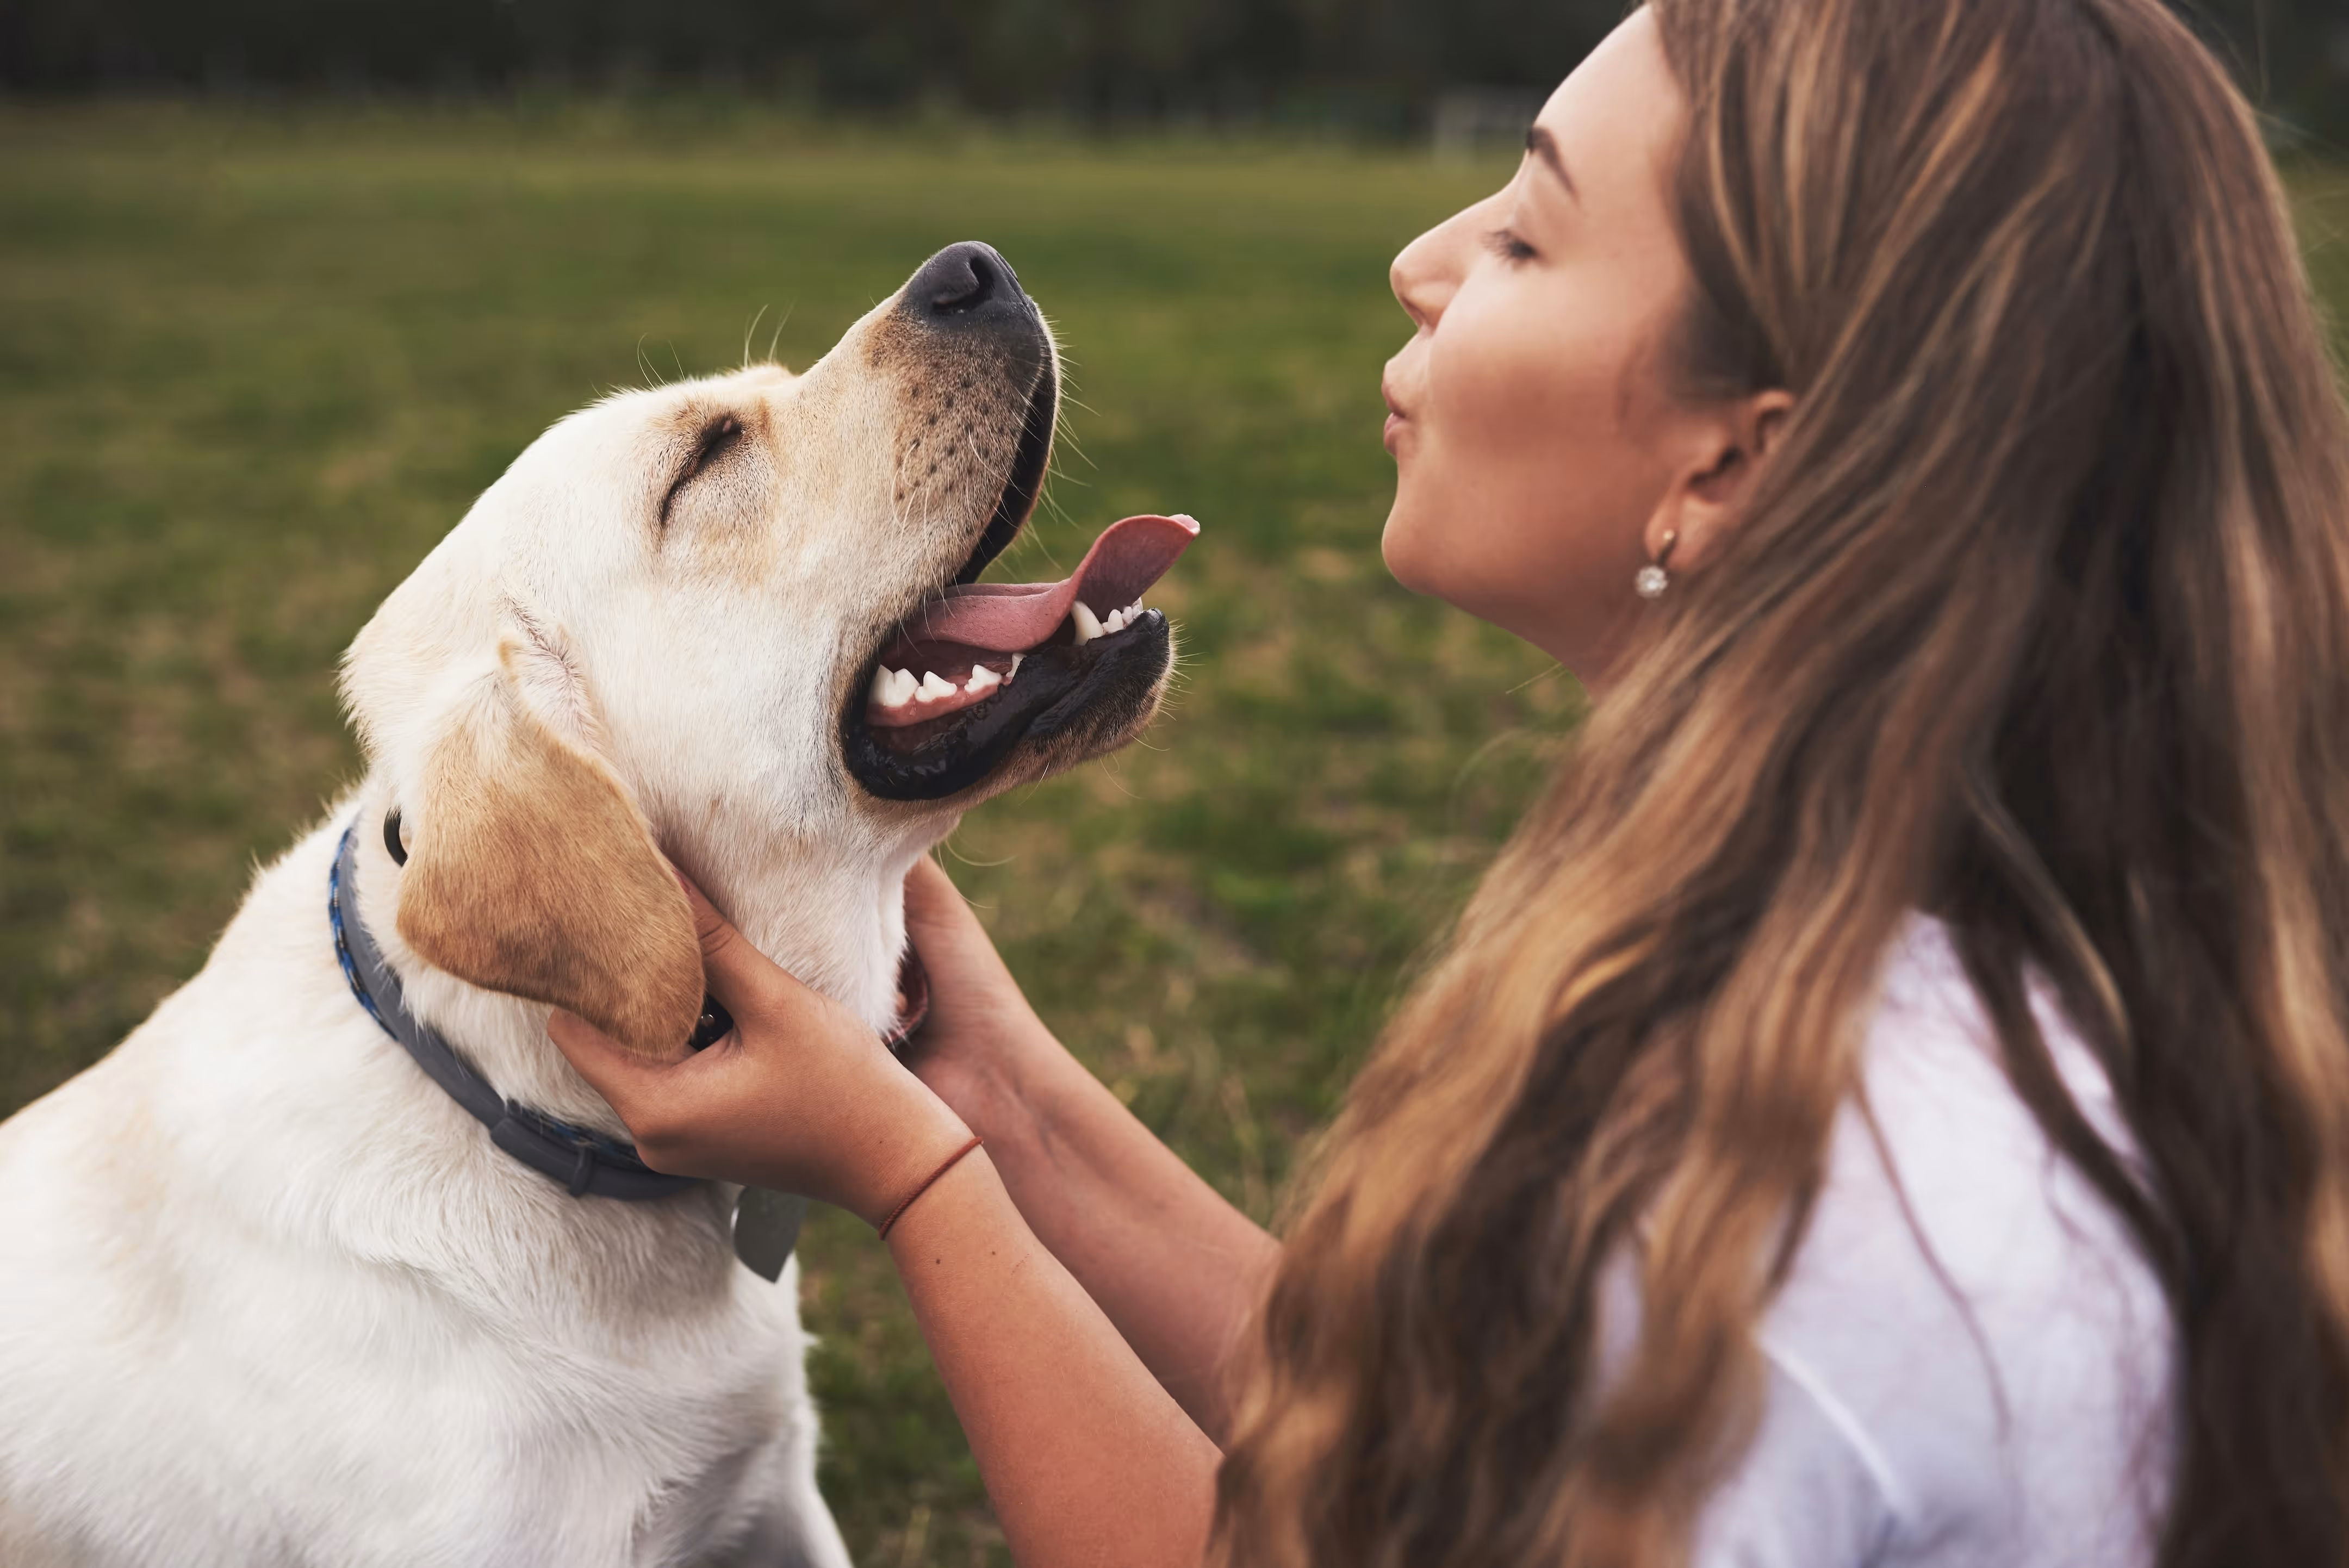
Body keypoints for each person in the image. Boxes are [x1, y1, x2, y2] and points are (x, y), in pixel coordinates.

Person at [548, 0, 2349, 1561]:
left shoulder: (1792, 1190)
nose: (1421, 253)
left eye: (1530, 239)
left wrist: (916, 1178)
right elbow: (1443, 1461)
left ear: (1733, 465)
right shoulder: (1964, 969)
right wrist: (1007, 1105)